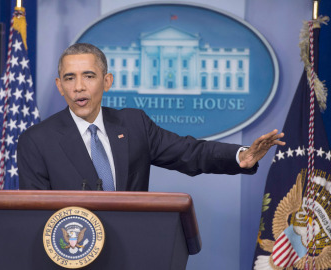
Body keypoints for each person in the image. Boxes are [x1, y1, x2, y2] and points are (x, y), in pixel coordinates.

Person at [17, 43, 285, 191]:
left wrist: (242, 156)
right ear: (59, 86)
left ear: (106, 81)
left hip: (132, 250)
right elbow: (35, 213)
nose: (78, 87)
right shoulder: (37, 140)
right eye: (69, 78)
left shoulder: (133, 124)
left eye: (88, 76)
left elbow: (190, 152)